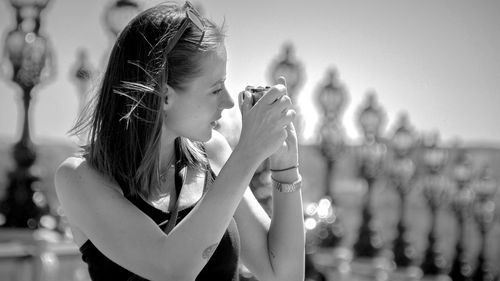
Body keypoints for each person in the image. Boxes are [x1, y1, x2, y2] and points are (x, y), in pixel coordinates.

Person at [55, 2, 305, 281]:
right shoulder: (78, 177)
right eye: (215, 89)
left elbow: (284, 274)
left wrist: (285, 168)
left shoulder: (214, 152)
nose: (227, 102)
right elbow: (171, 269)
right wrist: (248, 153)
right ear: (164, 96)